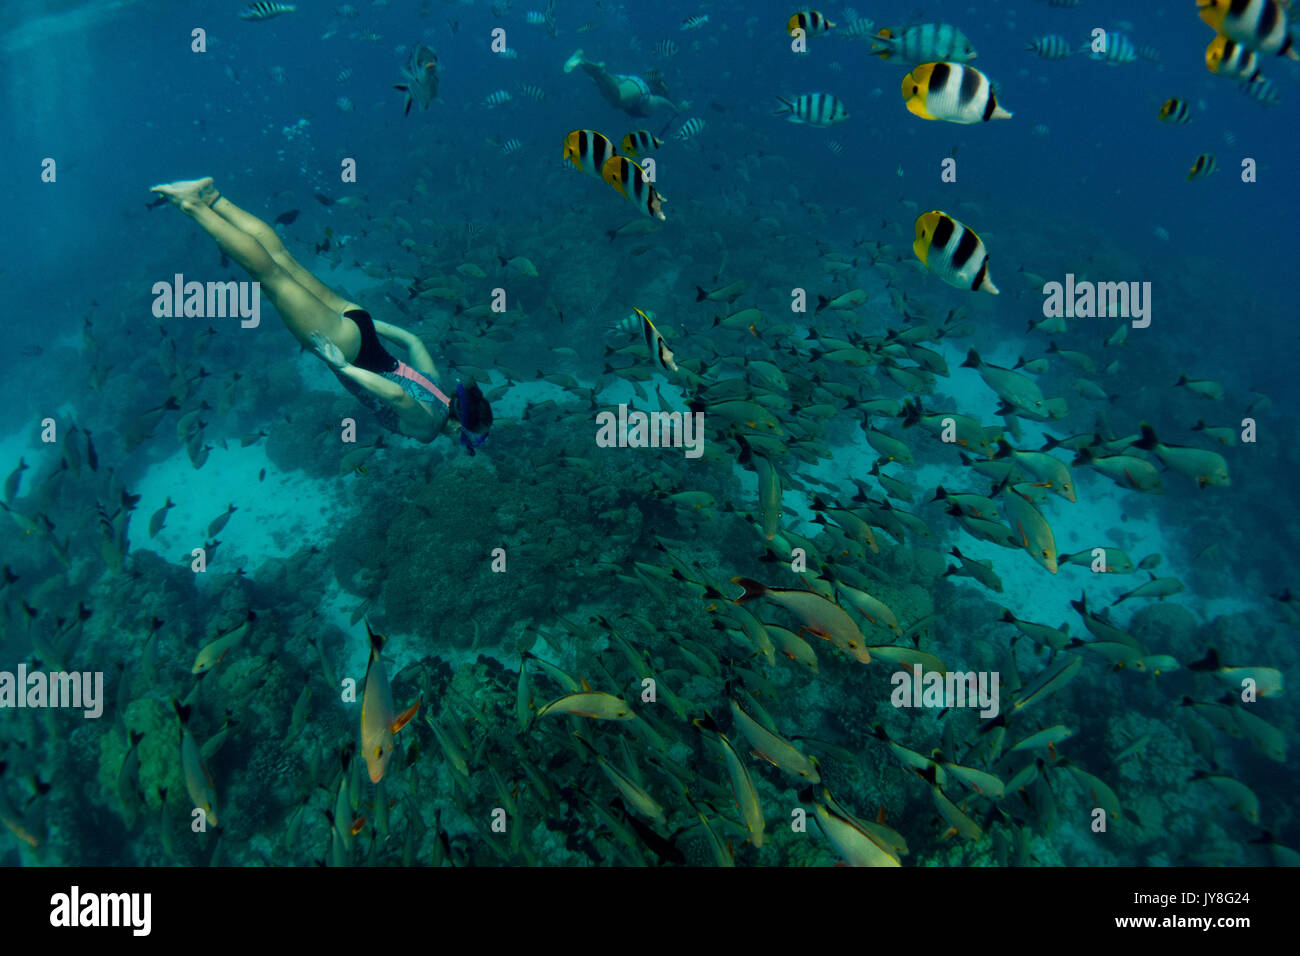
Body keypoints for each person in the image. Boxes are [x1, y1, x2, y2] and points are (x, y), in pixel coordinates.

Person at [149, 177, 492, 450]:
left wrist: (371, 324)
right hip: (346, 349)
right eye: (475, 437)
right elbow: (397, 395)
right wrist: (343, 366)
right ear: (462, 426)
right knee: (268, 276)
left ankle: (213, 197)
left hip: (360, 325)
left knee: (282, 259)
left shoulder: (440, 388)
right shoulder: (430, 428)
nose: (473, 442)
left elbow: (413, 340)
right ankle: (192, 204)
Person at [563, 50, 687, 117]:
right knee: (617, 99)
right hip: (640, 90)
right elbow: (663, 101)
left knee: (604, 88)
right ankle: (600, 71)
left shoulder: (648, 99)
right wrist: (676, 109)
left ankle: (581, 59)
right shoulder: (652, 101)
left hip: (629, 80)